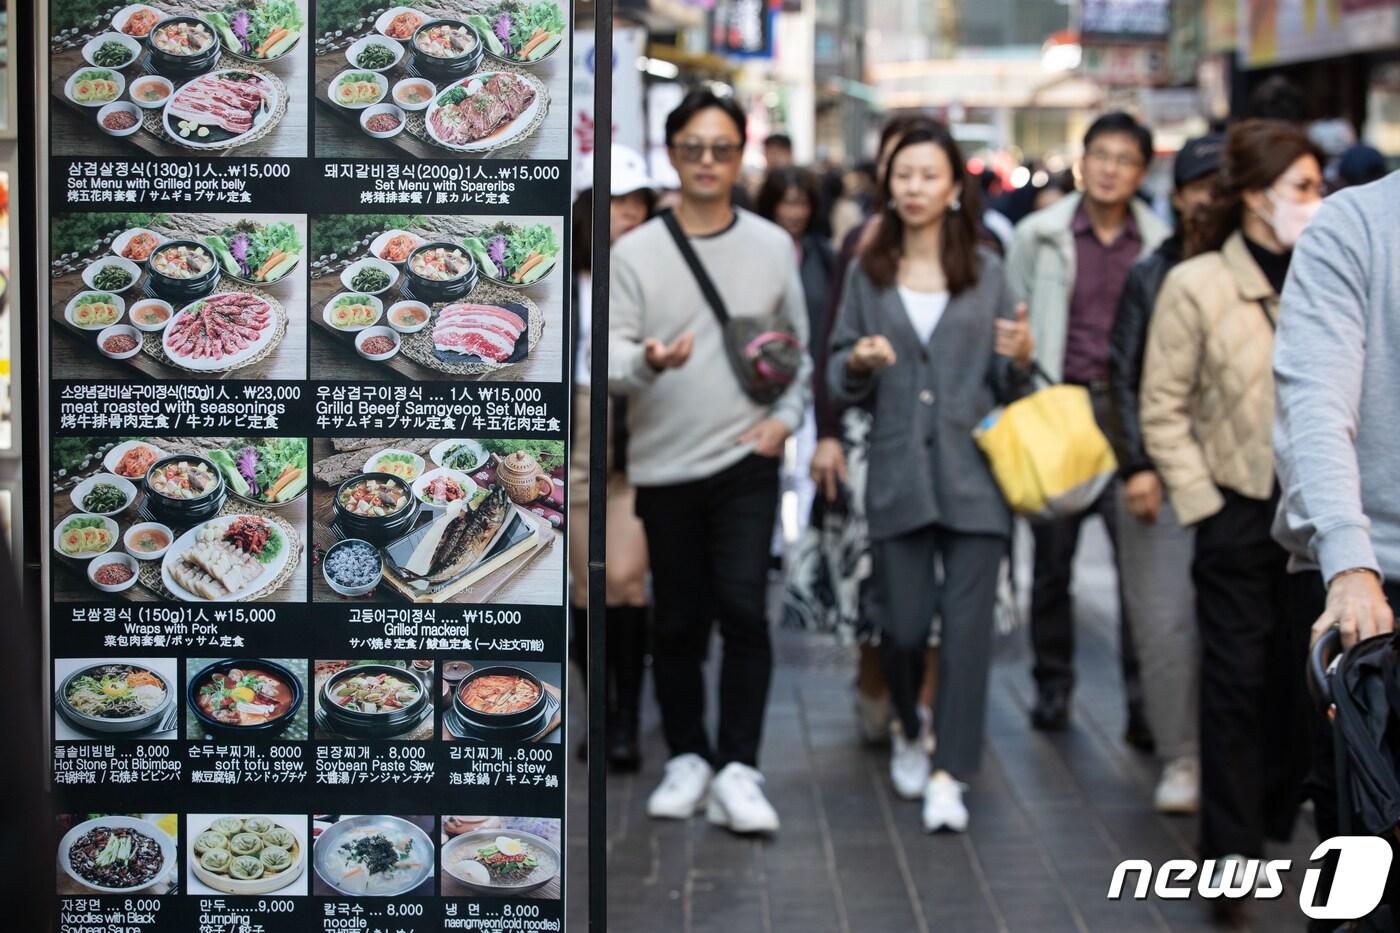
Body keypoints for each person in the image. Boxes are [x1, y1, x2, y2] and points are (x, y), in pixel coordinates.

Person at [609, 90, 810, 835]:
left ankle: (740, 765)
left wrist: (784, 422)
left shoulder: (769, 244)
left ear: (739, 155)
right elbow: (613, 356)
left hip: (746, 456)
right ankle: (688, 753)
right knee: (680, 618)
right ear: (671, 152)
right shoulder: (636, 253)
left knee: (743, 608)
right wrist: (650, 360)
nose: (706, 160)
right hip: (663, 462)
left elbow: (798, 350)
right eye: (692, 146)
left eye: (720, 147)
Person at [827, 122, 1034, 832]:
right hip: (896, 474)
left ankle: (951, 768)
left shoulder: (988, 268)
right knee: (907, 624)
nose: (913, 188)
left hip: (977, 479)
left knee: (969, 632)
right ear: (889, 183)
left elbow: (1012, 386)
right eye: (902, 174)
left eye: (928, 175)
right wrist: (857, 362)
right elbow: (836, 367)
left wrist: (1022, 356)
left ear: (953, 188)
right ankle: (912, 725)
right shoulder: (868, 268)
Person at [1139, 119, 1325, 872]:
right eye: (1302, 188)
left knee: (1304, 688)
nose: (1318, 201)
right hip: (1237, 511)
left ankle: (1290, 825)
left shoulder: (1329, 270)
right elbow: (1163, 404)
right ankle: (1231, 854)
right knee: (1234, 685)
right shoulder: (1196, 283)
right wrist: (1202, 500)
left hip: (1319, 518)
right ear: (1254, 196)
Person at [1005, 112, 1170, 739]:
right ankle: (1052, 686)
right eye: (1100, 155)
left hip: (1126, 412)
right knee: (1052, 563)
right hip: (1057, 404)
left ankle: (1144, 702)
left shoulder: (1155, 244)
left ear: (1142, 170)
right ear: (1082, 161)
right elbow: (1014, 313)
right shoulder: (1040, 234)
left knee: (1140, 569)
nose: (1109, 169)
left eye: (1124, 159)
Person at [1272, 167, 1400, 869]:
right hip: (1372, 599)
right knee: (1367, 861)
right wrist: (1350, 563)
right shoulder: (1354, 226)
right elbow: (1316, 404)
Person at [1106, 132, 1222, 814]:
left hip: (1244, 479)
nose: (1211, 200)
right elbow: (1121, 373)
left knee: (1237, 627)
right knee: (1164, 623)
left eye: (1223, 186)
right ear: (1177, 197)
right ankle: (1182, 755)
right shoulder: (1151, 273)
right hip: (1162, 475)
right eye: (1200, 186)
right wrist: (1138, 466)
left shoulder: (1274, 267)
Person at [567, 144, 656, 772]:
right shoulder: (562, 280)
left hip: (640, 429)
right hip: (573, 430)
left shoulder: (656, 275)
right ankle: (597, 709)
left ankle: (624, 714)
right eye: (612, 203)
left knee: (624, 582)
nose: (626, 215)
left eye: (636, 203)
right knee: (580, 586)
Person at [756, 167, 835, 534]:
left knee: (806, 466)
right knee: (764, 461)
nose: (794, 213)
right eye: (786, 203)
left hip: (813, 376)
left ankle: (800, 541)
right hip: (761, 380)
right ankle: (769, 545)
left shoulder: (824, 256)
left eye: (801, 203)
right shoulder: (754, 251)